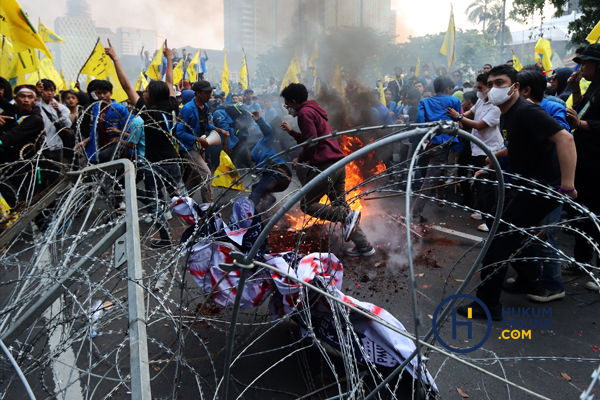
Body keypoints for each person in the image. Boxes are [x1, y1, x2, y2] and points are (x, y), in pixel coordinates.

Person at [456, 64, 577, 319]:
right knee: (511, 236)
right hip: (526, 183)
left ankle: (487, 305)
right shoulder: (507, 113)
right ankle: (529, 281)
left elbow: (565, 138)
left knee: (499, 240)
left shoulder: (526, 110)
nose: (493, 89)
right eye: (490, 84)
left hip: (540, 187)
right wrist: (493, 159)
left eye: (500, 83)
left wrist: (567, 186)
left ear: (516, 87)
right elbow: (518, 145)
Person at [279, 83, 374, 257]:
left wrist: (300, 159)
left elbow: (311, 142)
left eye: (288, 104)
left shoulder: (304, 113)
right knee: (340, 205)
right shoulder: (314, 111)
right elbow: (312, 137)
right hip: (338, 164)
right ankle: (364, 245)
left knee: (307, 205)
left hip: (325, 166)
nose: (288, 109)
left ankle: (347, 216)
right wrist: (292, 132)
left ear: (294, 101)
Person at [107, 38, 184, 249]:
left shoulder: (146, 113)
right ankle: (197, 226)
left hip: (153, 165)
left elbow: (125, 86)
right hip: (172, 161)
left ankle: (166, 238)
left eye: (147, 90)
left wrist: (115, 59)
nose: (143, 92)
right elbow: (170, 83)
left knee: (154, 202)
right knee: (176, 197)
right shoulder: (171, 106)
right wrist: (169, 57)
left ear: (151, 96)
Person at [563, 43, 600, 292]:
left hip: (597, 162)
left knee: (597, 215)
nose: (581, 67)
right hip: (583, 159)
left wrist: (583, 125)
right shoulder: (592, 88)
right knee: (580, 211)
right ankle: (580, 261)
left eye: (586, 63)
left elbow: (586, 121)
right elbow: (580, 112)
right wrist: (575, 89)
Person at [446, 73, 503, 232]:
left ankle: (490, 219)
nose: (478, 91)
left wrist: (459, 117)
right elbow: (469, 115)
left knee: (488, 186)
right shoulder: (480, 102)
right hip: (477, 149)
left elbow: (479, 125)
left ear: (489, 87)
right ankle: (482, 211)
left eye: (480, 88)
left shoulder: (495, 107)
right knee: (478, 182)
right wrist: (459, 117)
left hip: (490, 150)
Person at [411, 76, 463, 223]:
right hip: (445, 143)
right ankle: (415, 213)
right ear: (448, 89)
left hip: (428, 143)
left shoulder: (424, 101)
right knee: (430, 178)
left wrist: (425, 140)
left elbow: (420, 123)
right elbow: (458, 120)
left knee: (439, 170)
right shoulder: (454, 101)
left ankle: (440, 197)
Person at [176, 80, 228, 203]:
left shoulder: (204, 107)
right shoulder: (187, 109)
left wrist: (219, 130)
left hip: (200, 147)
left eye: (210, 93)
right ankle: (208, 205)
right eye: (207, 93)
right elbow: (179, 132)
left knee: (196, 176)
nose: (210, 96)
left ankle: (183, 200)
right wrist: (196, 139)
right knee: (206, 173)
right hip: (189, 148)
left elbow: (205, 125)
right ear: (198, 93)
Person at [0, 85, 45, 207]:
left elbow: (11, 136)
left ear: (34, 101)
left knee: (32, 198)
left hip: (30, 165)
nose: (26, 100)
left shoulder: (35, 119)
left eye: (30, 97)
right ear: (15, 99)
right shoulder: (14, 112)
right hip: (13, 163)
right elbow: (4, 103)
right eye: (22, 96)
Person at [248, 110, 291, 212]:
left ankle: (246, 215)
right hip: (282, 181)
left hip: (277, 173)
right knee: (255, 187)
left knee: (256, 193)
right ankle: (264, 209)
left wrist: (259, 120)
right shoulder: (259, 161)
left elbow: (268, 133)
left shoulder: (263, 143)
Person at [78, 79, 130, 163]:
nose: (102, 96)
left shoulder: (119, 108)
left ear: (111, 93)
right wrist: (86, 140)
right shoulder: (95, 108)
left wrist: (119, 134)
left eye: (105, 93)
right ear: (95, 94)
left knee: (103, 158)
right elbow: (95, 128)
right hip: (99, 143)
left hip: (114, 143)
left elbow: (128, 128)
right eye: (99, 93)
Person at [36, 79, 72, 163]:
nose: (49, 93)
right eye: (46, 90)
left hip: (56, 144)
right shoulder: (36, 105)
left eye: (52, 90)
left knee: (56, 171)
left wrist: (59, 112)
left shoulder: (59, 107)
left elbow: (68, 125)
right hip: (41, 145)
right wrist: (36, 95)